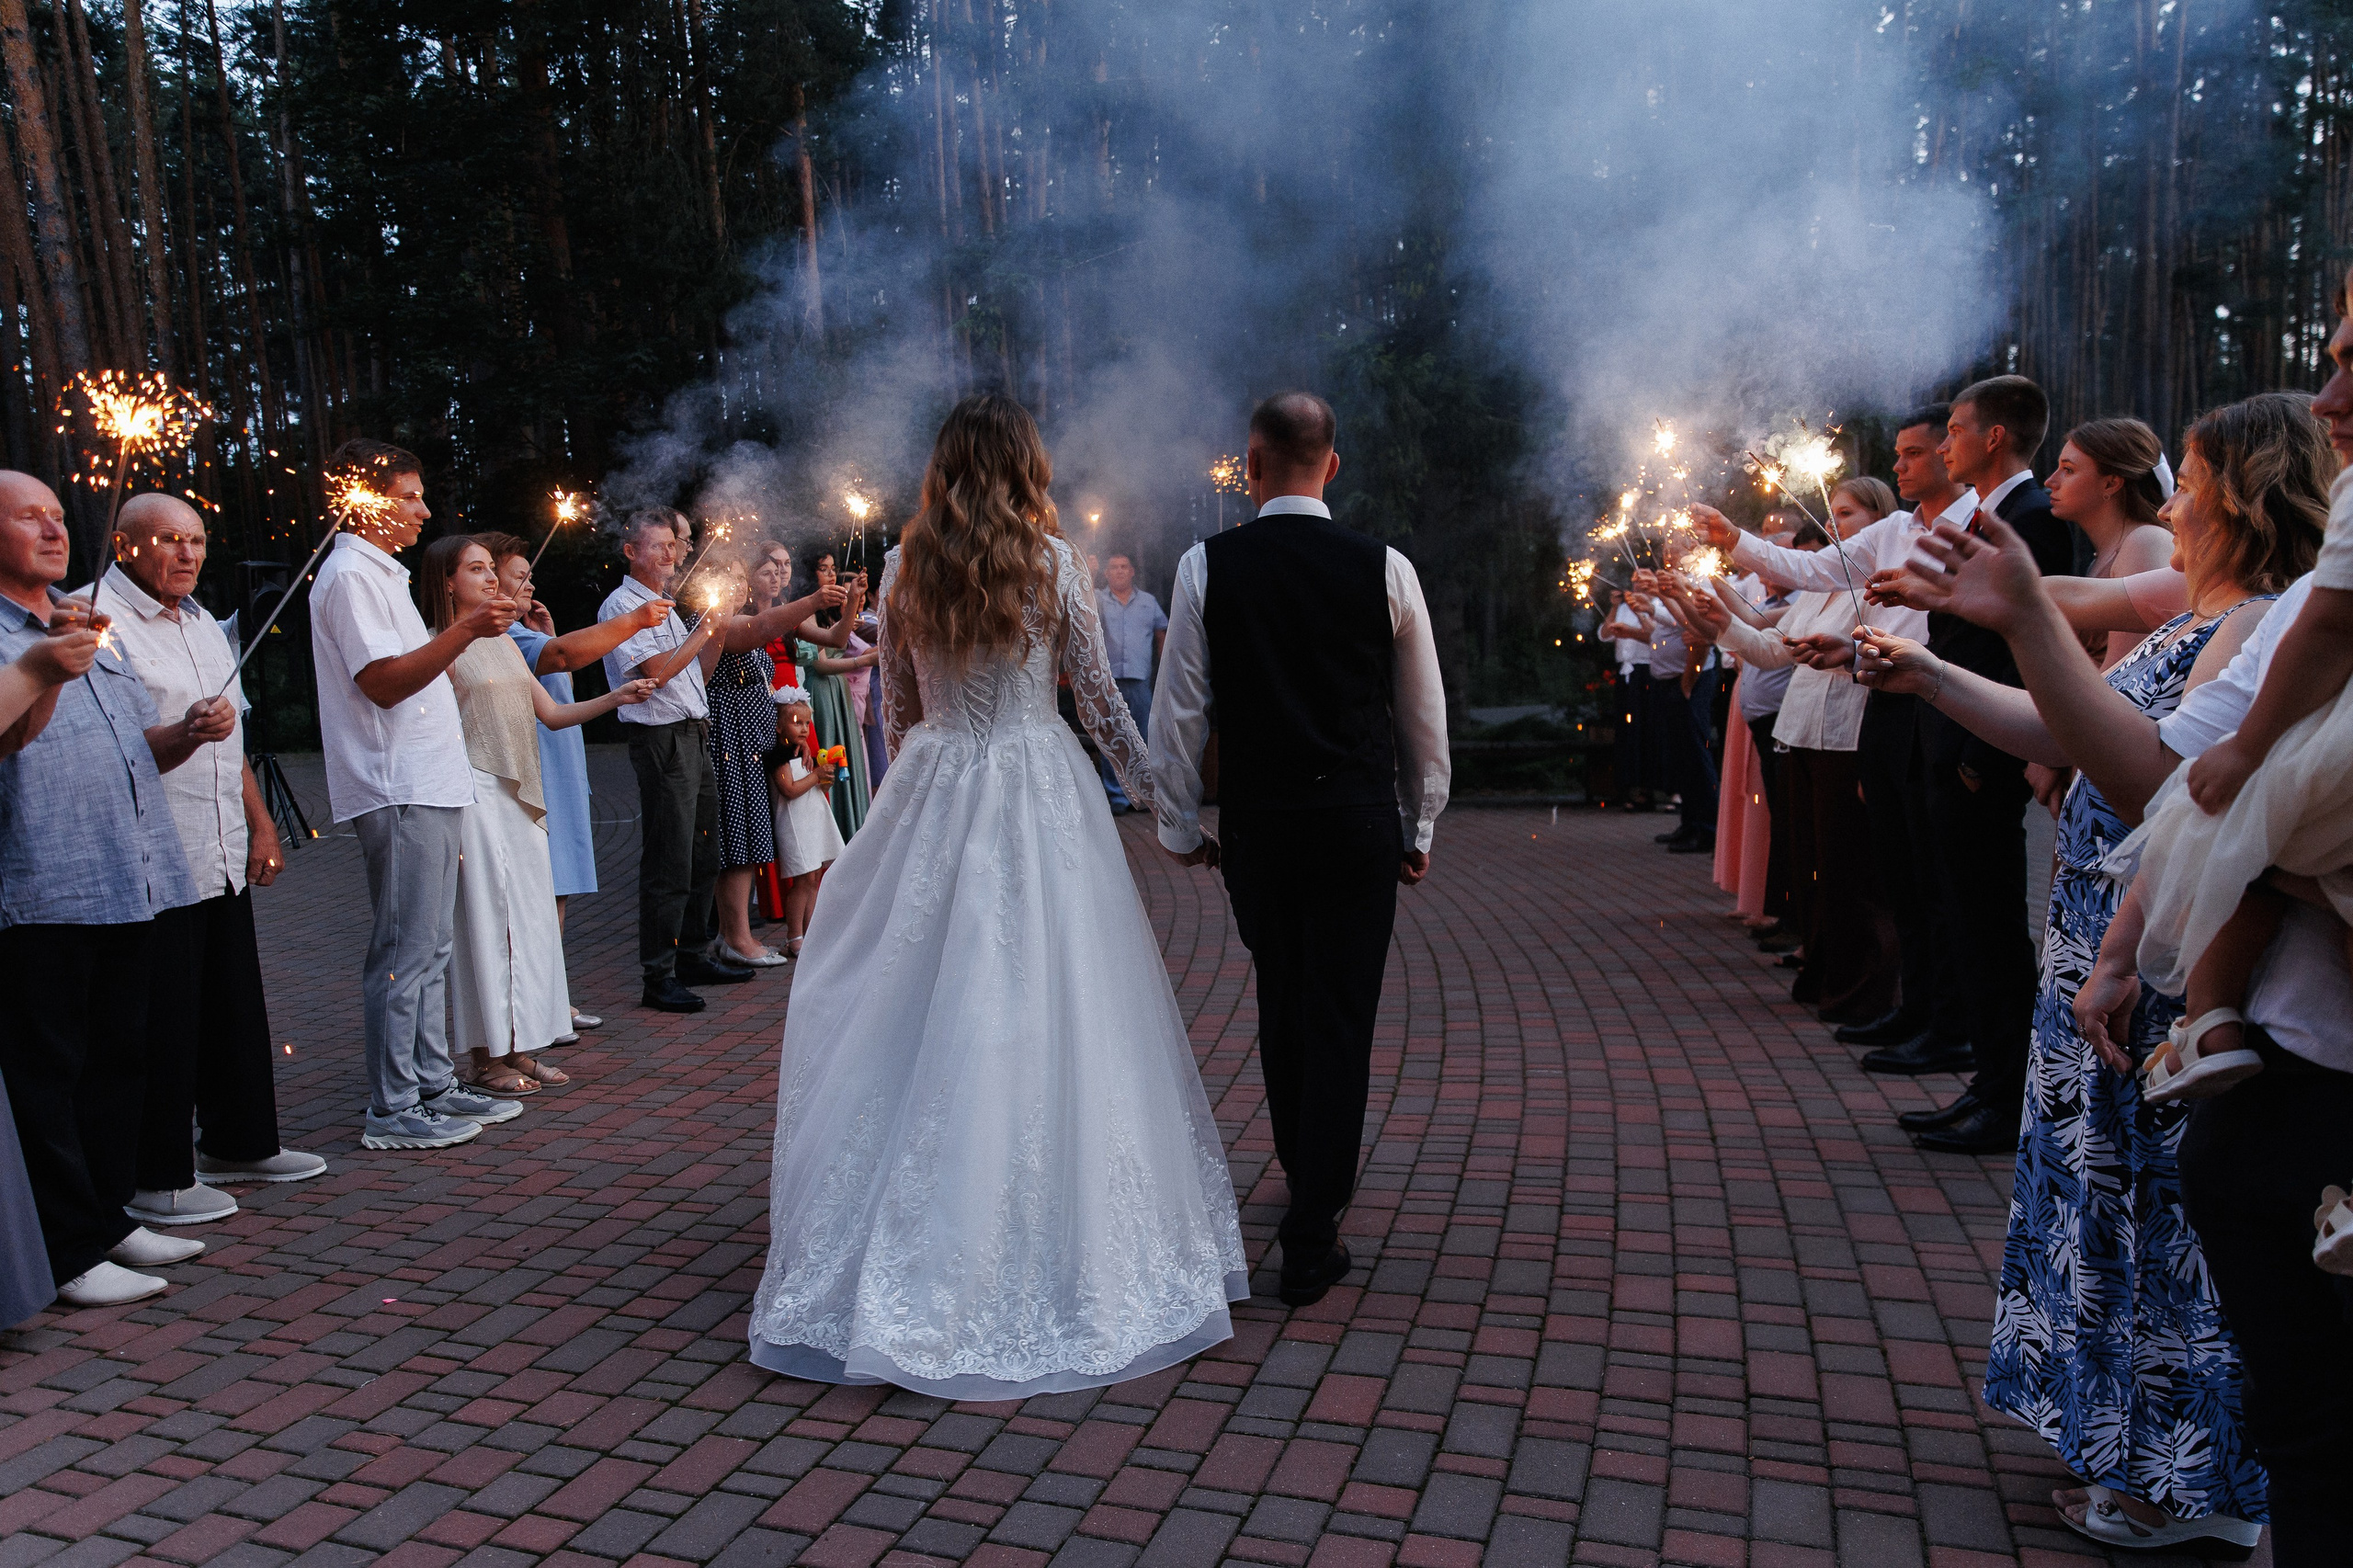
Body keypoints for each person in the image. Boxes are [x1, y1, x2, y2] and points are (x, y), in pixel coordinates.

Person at [1862, 377, 2352, 1563]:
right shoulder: (2205, 604)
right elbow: (2074, 720)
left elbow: (2185, 798)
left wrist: (2130, 946)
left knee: (2168, 1226)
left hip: (2162, 948)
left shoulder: (2262, 622)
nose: (2171, 504)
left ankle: (2197, 1477)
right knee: (2118, 1213)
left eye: (2186, 484)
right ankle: (2143, 1449)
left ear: (2237, 495)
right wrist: (1931, 666)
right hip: (2109, 928)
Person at [746, 392, 1247, 1393]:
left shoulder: (903, 562)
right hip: (1033, 783)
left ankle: (912, 1221)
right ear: (1026, 463)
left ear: (943, 465)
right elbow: (1103, 707)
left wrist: (907, 797)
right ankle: (1038, 1216)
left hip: (936, 780)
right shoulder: (1055, 563)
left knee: (918, 998)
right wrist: (1171, 811)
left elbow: (896, 705)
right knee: (1049, 997)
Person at [1154, 391, 1450, 1306]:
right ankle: (1315, 1214)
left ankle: (1308, 1171)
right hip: (1359, 818)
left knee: (1283, 996)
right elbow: (1421, 713)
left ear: (1249, 466)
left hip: (1263, 824)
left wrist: (1177, 823)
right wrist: (1422, 820)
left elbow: (1180, 711)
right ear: (1332, 463)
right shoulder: (1385, 567)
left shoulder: (1206, 566)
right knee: (1342, 1010)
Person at [0, 470, 227, 1307]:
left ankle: (108, 1216)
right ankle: (63, 1248)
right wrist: (43, 664)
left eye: (59, 516)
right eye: (29, 519)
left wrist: (185, 733)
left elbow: (138, 749)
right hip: (43, 882)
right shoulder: (17, 637)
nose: (54, 531)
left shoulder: (88, 624)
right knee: (49, 1069)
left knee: (118, 1060)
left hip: (131, 874)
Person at [90, 494, 327, 1230]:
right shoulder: (97, 622)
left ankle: (241, 1140)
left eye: (197, 539)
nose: (188, 554)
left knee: (232, 1003)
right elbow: (106, 753)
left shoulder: (204, 625)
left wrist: (261, 827)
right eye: (169, 539)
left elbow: (234, 744)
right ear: (125, 545)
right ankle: (156, 1174)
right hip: (147, 855)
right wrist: (187, 736)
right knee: (163, 1016)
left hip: (218, 844)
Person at [308, 439, 525, 1150]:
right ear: (364, 498)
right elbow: (383, 681)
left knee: (430, 946)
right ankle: (392, 1106)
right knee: (403, 949)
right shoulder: (347, 576)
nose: (423, 509)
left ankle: (432, 1082)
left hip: (430, 779)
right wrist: (464, 630)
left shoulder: (383, 575)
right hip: (394, 782)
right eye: (408, 495)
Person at [421, 538, 656, 1094]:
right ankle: (485, 1058)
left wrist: (617, 698)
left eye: (489, 569)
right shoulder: (436, 645)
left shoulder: (502, 639)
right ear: (448, 582)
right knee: (487, 921)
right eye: (475, 570)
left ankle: (521, 1048)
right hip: (475, 791)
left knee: (527, 923)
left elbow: (551, 713)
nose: (490, 579)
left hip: (521, 796)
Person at [1677, 482, 1901, 1026]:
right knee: (1812, 864)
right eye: (1836, 513)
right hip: (1798, 731)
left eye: (1849, 514)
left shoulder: (1879, 584)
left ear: (1880, 520)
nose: (1838, 523)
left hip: (1847, 736)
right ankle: (1823, 970)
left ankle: (1863, 988)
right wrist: (1719, 623)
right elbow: (1771, 650)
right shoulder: (1820, 590)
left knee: (1851, 871)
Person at [480, 534, 676, 1036]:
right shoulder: (499, 640)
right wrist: (632, 621)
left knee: (558, 891)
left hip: (560, 774)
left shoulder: (522, 636)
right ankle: (536, 1003)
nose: (530, 584)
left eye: (529, 575)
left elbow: (556, 696)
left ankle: (552, 994)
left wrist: (613, 696)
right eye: (517, 576)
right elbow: (564, 658)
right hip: (533, 779)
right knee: (539, 893)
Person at [600, 509, 767, 1011]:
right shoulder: (623, 606)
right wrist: (701, 633)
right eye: (658, 547)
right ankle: (659, 975)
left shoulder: (665, 605)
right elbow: (656, 674)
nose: (671, 555)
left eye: (673, 545)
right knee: (670, 857)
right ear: (631, 553)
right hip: (661, 739)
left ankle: (694, 953)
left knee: (703, 852)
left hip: (695, 734)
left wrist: (711, 633)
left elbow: (699, 671)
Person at [687, 550, 847, 967]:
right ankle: (736, 937)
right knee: (736, 835)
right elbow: (754, 630)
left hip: (755, 741)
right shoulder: (711, 620)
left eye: (743, 579)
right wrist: (813, 601)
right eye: (734, 580)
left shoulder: (733, 618)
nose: (740, 588)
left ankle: (736, 935)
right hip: (730, 739)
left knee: (750, 834)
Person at [799, 550, 876, 840]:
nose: (831, 574)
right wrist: (865, 660)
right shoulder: (803, 609)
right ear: (810, 574)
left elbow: (839, 639)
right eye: (823, 568)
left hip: (837, 691)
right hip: (819, 693)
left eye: (834, 568)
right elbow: (820, 663)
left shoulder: (826, 610)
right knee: (829, 760)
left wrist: (854, 597)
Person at [766, 690, 844, 949]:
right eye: (797, 722)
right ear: (778, 726)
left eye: (806, 724)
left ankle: (809, 931)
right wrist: (816, 776)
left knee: (813, 877)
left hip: (812, 819)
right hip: (794, 824)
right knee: (802, 881)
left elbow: (814, 790)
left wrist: (825, 781)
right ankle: (794, 936)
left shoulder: (806, 754)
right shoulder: (780, 756)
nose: (803, 729)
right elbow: (789, 791)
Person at [1093, 550, 1166, 813]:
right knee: (1111, 737)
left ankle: (1146, 795)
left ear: (1132, 571)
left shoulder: (1148, 602)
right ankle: (1117, 797)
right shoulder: (1098, 600)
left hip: (1140, 680)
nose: (1120, 571)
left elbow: (1162, 634)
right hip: (1108, 681)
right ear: (1107, 573)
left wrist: (1164, 670)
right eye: (1114, 567)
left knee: (1144, 737)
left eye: (1124, 566)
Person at [1597, 590, 1655, 809]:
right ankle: (1626, 787)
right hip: (1626, 673)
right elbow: (1604, 635)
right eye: (1634, 582)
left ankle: (1645, 790)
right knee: (1626, 730)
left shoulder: (1655, 605)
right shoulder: (1621, 609)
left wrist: (1634, 623)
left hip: (1646, 672)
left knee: (1644, 730)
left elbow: (1654, 636)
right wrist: (1613, 607)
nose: (1636, 586)